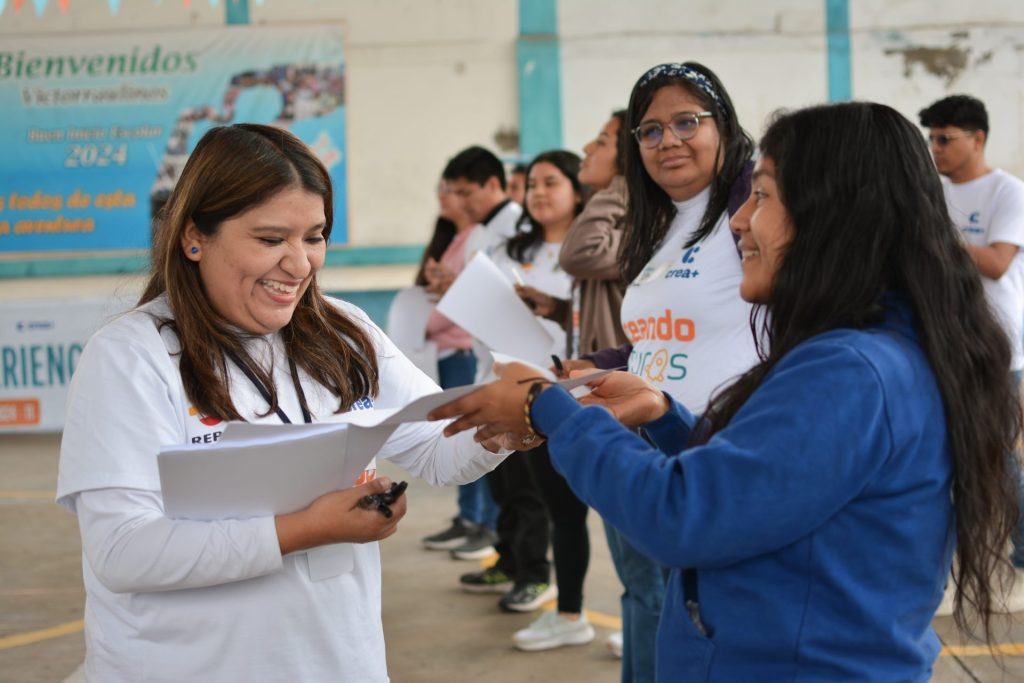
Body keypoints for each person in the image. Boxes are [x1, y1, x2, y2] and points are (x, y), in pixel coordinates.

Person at [431, 101, 1022, 681]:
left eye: (762, 196)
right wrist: (662, 415)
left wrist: (547, 405)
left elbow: (683, 516)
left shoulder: (850, 372)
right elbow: (766, 485)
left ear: (832, 215)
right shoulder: (873, 353)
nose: (741, 220)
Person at [56, 124, 512, 683]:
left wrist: (510, 424)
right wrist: (305, 528)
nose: (299, 265)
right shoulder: (132, 356)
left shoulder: (344, 333)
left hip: (339, 662)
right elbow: (124, 551)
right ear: (194, 237)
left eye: (314, 236)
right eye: (271, 240)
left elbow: (438, 449)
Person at [552, 62, 758, 682]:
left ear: (723, 127)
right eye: (649, 131)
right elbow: (658, 335)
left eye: (686, 122)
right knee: (652, 603)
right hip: (647, 444)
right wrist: (602, 364)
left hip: (724, 453)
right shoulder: (660, 223)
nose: (668, 141)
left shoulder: (751, 207)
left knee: (711, 624)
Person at [507, 114, 631, 654]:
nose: (587, 149)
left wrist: (616, 182)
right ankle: (572, 611)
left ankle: (645, 615)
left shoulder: (621, 222)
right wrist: (555, 307)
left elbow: (580, 256)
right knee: (564, 509)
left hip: (614, 389)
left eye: (602, 143)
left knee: (630, 520)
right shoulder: (526, 246)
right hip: (562, 386)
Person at [459, 150, 581, 615]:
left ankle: (536, 577)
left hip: (557, 388)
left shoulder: (586, 252)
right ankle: (509, 561)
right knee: (503, 483)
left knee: (539, 494)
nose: (539, 194)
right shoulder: (512, 250)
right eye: (532, 185)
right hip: (498, 378)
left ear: (577, 190)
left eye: (551, 183)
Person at [919, 94, 1024, 614]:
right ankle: (953, 564)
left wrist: (937, 236)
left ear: (977, 138)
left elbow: (998, 263)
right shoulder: (932, 194)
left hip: (995, 349)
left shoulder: (1008, 192)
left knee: (996, 458)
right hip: (943, 341)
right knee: (947, 454)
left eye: (945, 138)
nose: (935, 148)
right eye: (931, 139)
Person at [417, 178, 500, 560]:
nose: (444, 198)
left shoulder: (478, 238)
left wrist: (424, 325)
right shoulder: (451, 238)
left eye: (452, 190)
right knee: (452, 436)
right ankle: (469, 518)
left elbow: (462, 300)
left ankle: (485, 523)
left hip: (463, 351)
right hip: (443, 353)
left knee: (473, 435)